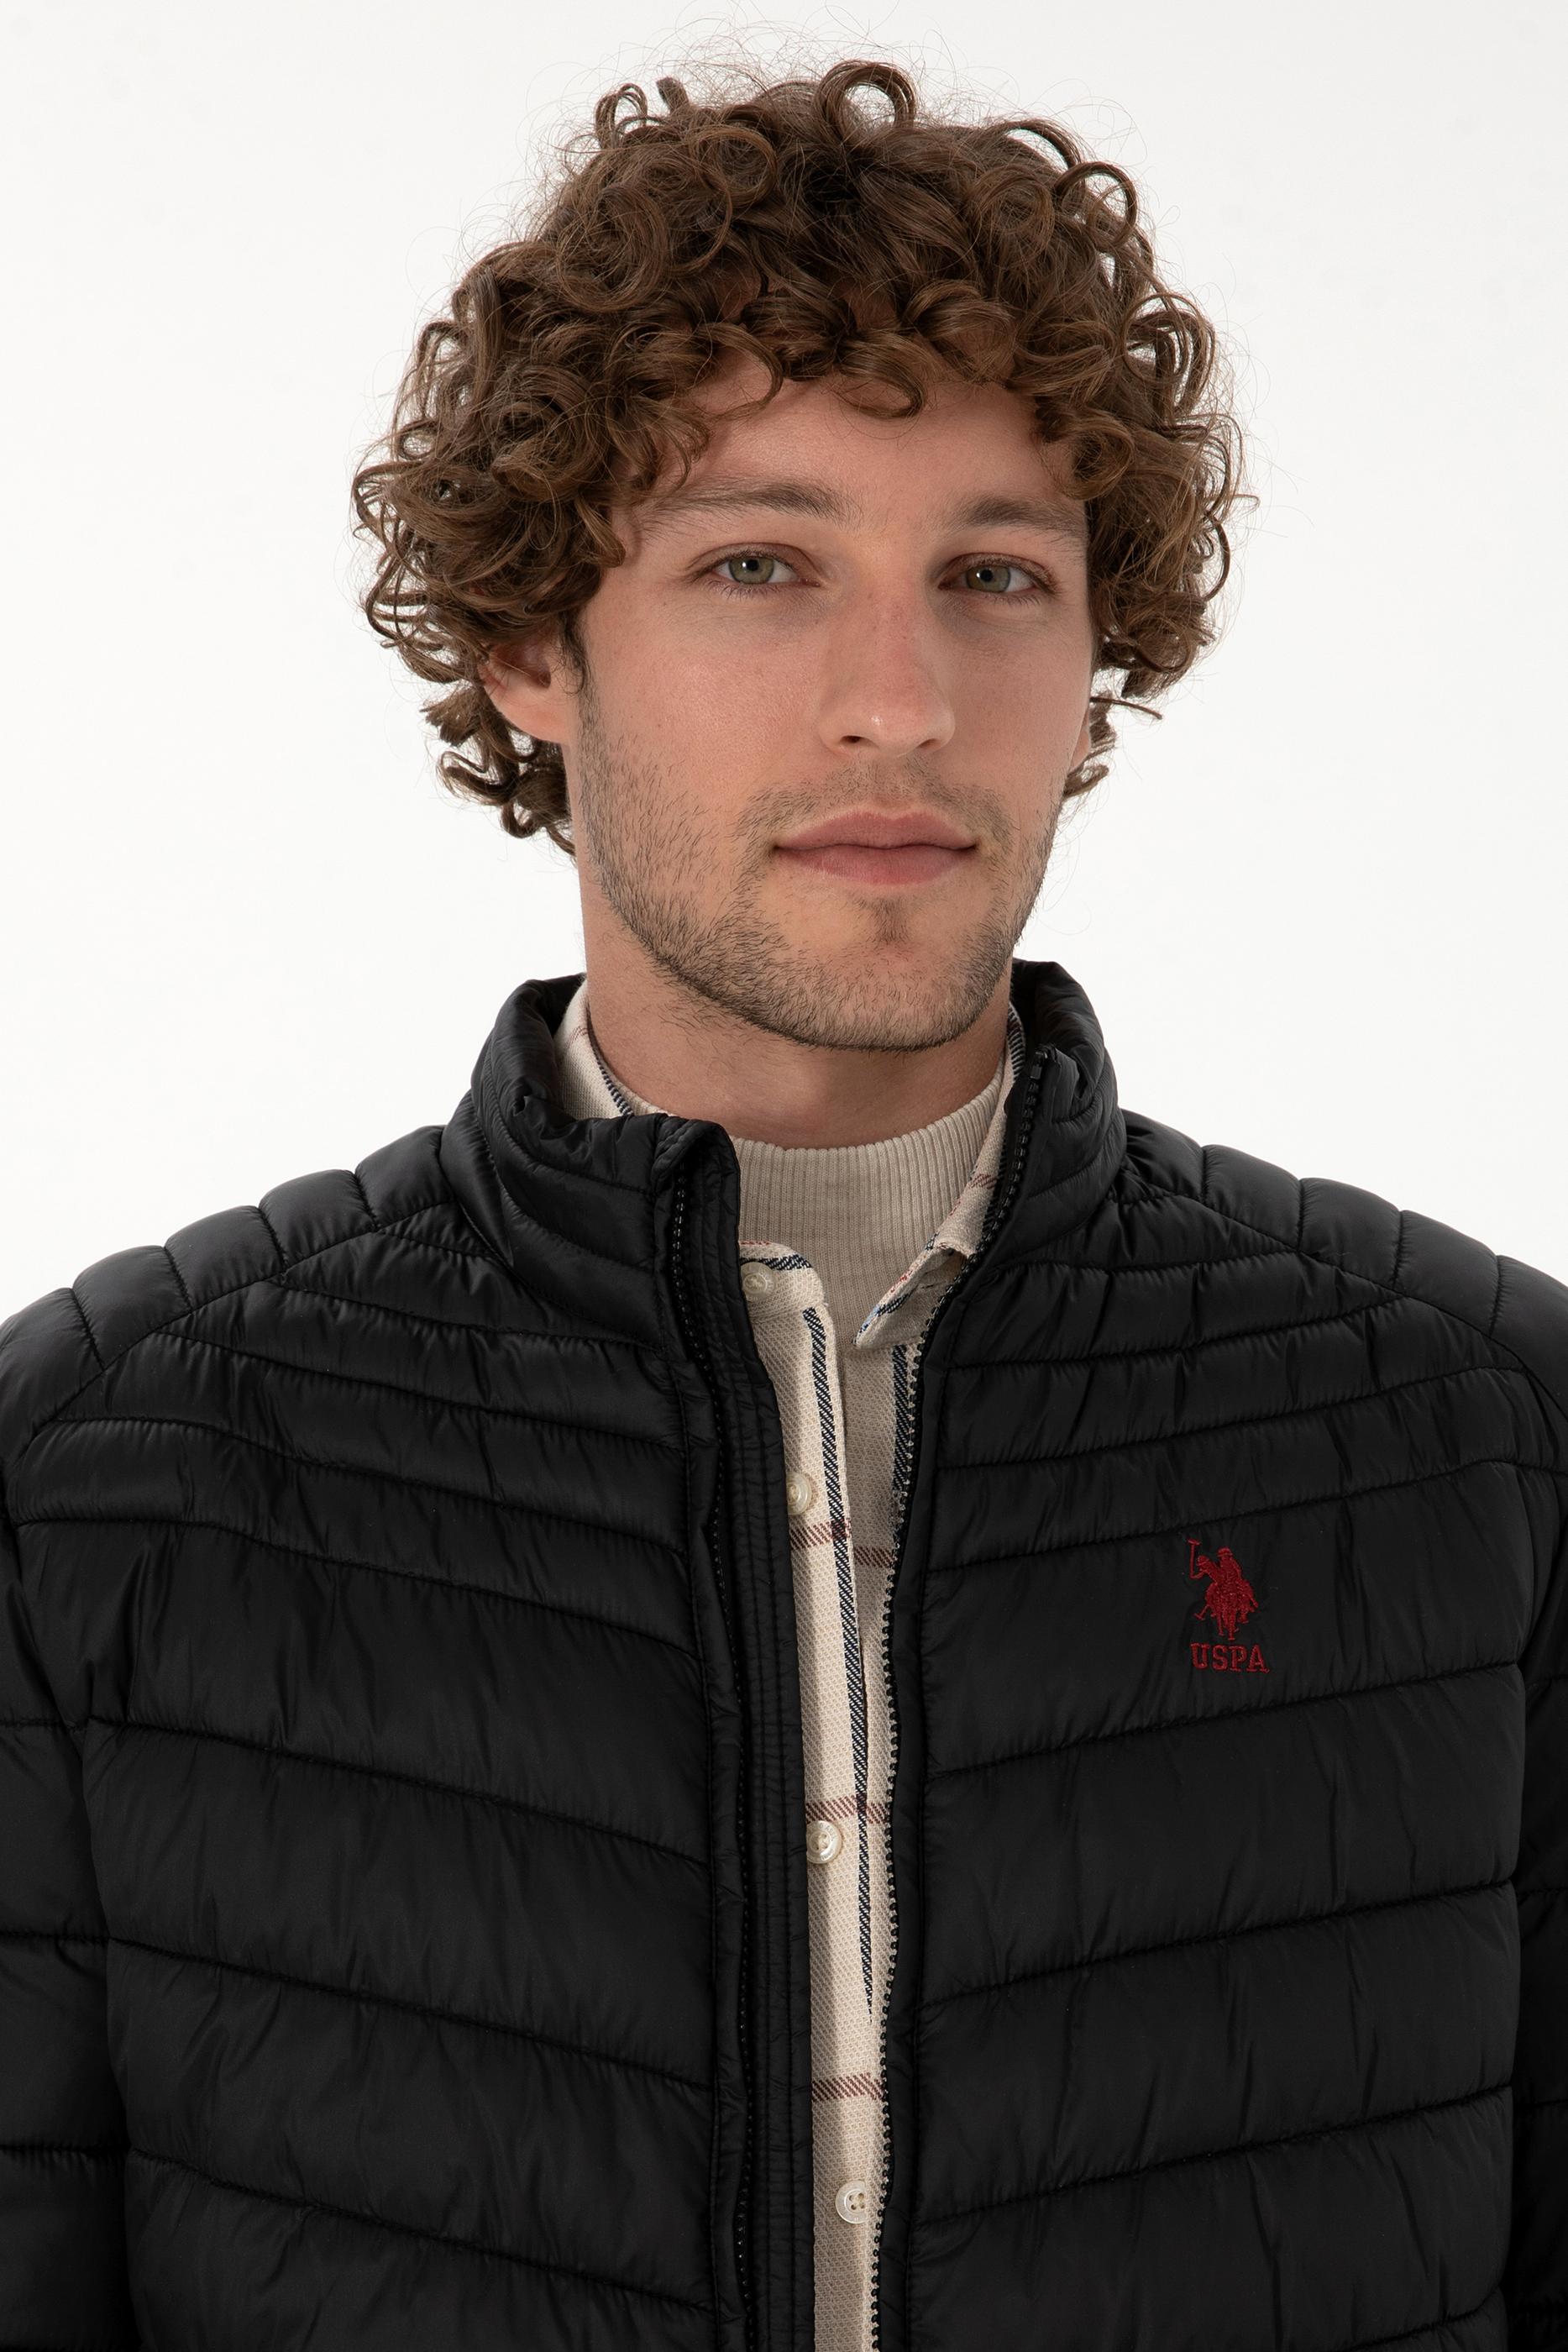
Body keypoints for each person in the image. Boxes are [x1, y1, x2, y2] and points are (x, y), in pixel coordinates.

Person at [1, 53, 1563, 2352]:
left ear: (1093, 657)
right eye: (760, 564)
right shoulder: (93, 1481)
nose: (897, 701)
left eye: (993, 576)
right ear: (530, 645)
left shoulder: (1490, 1444)